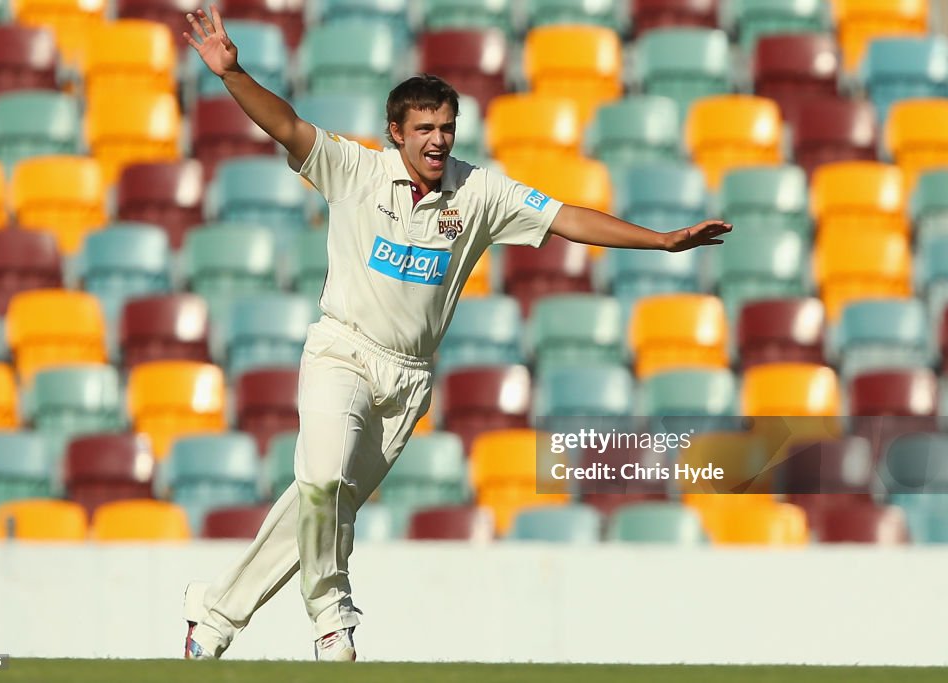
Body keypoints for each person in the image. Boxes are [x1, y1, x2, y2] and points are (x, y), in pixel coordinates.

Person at [180, 5, 732, 663]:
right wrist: (234, 73)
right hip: (343, 351)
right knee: (322, 480)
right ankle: (332, 619)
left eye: (446, 127)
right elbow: (288, 125)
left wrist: (662, 241)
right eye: (424, 129)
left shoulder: (479, 192)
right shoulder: (355, 171)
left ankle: (212, 616)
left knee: (321, 504)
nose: (438, 140)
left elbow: (564, 217)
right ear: (396, 133)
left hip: (408, 378)